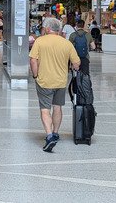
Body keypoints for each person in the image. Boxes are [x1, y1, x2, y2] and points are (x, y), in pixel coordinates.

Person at [29, 17, 81, 152]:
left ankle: (49, 135)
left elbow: (33, 61)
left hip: (44, 81)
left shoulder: (40, 41)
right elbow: (77, 63)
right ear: (59, 30)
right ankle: (56, 132)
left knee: (45, 109)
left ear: (47, 29)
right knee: (57, 107)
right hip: (61, 81)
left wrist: (35, 75)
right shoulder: (66, 43)